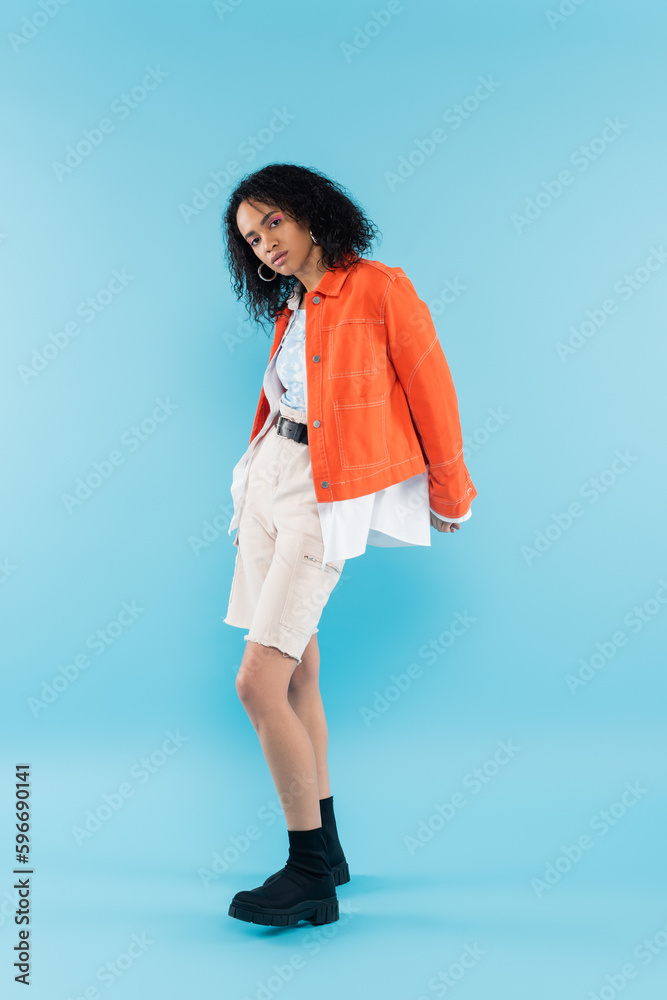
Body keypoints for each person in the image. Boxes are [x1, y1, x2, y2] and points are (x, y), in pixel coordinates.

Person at [220, 163, 477, 928]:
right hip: (269, 473)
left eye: (271, 221)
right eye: (249, 236)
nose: (264, 242)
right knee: (297, 669)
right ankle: (326, 850)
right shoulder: (294, 304)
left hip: (322, 491)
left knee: (256, 684)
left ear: (307, 210)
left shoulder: (378, 287)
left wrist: (449, 492)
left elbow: (432, 388)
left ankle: (307, 877)